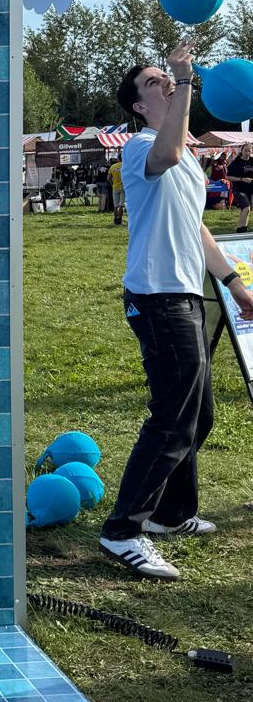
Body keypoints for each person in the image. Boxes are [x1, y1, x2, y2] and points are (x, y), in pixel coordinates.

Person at [101, 45, 253, 580]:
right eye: (154, 81)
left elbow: (197, 227)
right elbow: (164, 155)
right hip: (158, 298)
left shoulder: (186, 155)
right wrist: (186, 81)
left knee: (198, 414)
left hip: (185, 295)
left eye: (166, 76)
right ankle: (123, 531)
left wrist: (233, 284)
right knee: (173, 418)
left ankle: (170, 513)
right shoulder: (142, 146)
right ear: (138, 106)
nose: (165, 81)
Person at [231, 143, 253, 233]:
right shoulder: (236, 162)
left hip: (250, 190)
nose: (247, 153)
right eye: (245, 150)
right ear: (242, 151)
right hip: (238, 189)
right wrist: (242, 179)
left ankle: (243, 228)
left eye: (249, 151)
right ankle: (241, 230)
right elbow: (227, 177)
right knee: (246, 207)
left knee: (246, 210)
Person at [107, 154, 125, 225]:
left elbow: (108, 178)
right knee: (121, 205)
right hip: (123, 186)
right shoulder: (125, 165)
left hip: (115, 187)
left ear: (118, 159)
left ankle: (115, 220)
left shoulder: (112, 166)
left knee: (116, 205)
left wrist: (112, 184)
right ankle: (119, 220)